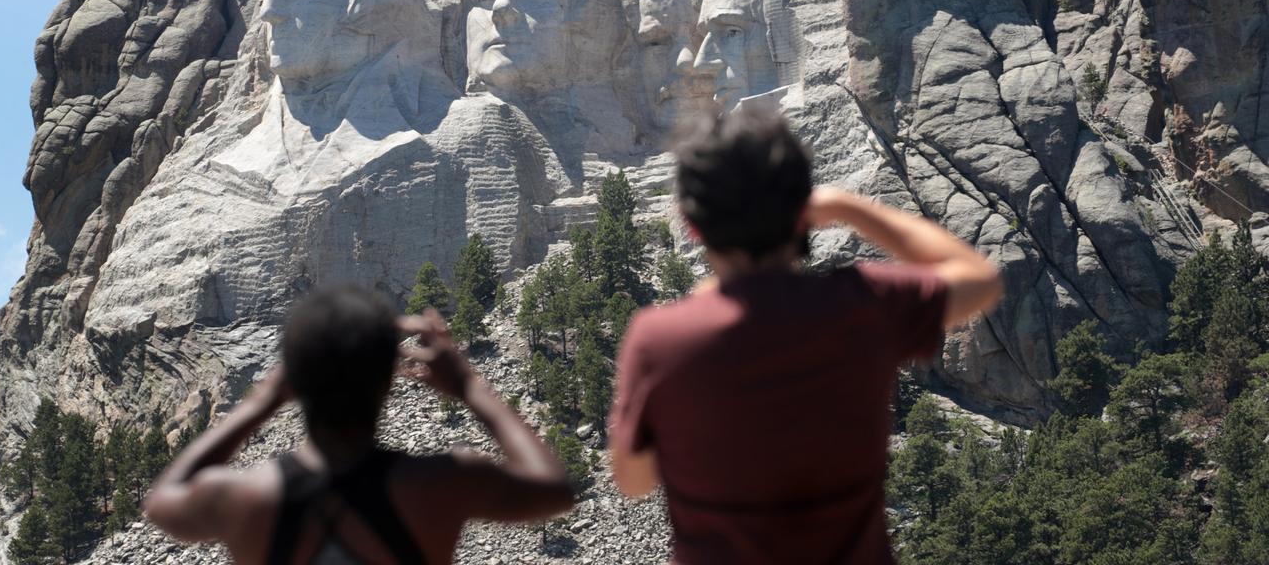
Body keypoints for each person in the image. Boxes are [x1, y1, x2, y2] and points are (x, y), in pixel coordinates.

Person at [609, 106, 1003, 564]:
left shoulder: (659, 339)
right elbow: (981, 280)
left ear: (692, 224)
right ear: (802, 213)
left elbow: (632, 480)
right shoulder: (861, 304)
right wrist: (848, 207)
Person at [144, 284, 574, 564]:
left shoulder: (243, 497)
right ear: (389, 380)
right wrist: (468, 386)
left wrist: (261, 401)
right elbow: (553, 489)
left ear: (294, 380)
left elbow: (163, 501)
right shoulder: (439, 485)